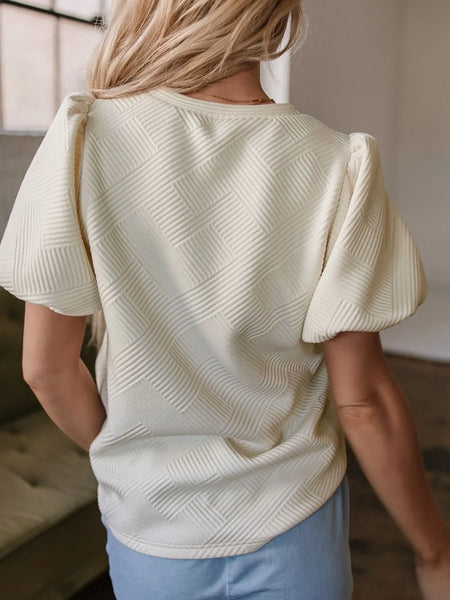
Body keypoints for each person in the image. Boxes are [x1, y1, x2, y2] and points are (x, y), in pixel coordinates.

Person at [0, 1, 449, 598]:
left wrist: (139, 461)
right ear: (279, 16)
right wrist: (435, 551)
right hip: (294, 517)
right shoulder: (337, 163)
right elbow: (363, 400)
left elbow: (46, 370)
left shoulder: (85, 135)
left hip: (151, 530)